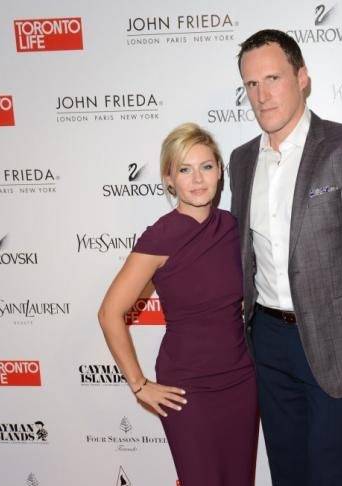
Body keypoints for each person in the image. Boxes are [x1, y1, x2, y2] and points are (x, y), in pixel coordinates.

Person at [229, 29, 342, 486]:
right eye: (251, 84)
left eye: (273, 79)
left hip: (339, 345)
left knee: (336, 476)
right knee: (287, 474)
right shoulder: (242, 160)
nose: (262, 95)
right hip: (268, 343)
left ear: (302, 77)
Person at [98, 123, 258, 486]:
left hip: (241, 380)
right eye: (185, 169)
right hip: (187, 388)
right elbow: (109, 313)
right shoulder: (161, 236)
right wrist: (139, 384)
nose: (197, 179)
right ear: (169, 179)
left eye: (206, 166)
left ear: (220, 172)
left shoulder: (233, 227)